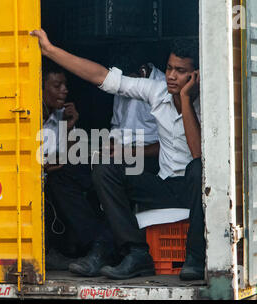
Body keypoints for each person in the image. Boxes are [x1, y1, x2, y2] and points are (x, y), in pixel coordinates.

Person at [31, 29, 205, 281]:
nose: (171, 76)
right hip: (165, 186)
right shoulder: (156, 92)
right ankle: (135, 253)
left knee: (198, 168)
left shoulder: (208, 100)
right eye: (169, 68)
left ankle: (195, 258)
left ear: (196, 75)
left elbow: (196, 153)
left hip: (196, 190)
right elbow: (102, 76)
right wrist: (50, 50)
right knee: (105, 168)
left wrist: (186, 100)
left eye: (180, 71)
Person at [41, 60, 111, 271]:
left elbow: (66, 156)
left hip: (56, 177)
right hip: (41, 182)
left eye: (65, 85)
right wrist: (47, 166)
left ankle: (100, 243)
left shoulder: (57, 117)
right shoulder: (28, 116)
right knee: (63, 178)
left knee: (89, 174)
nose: (65, 90)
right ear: (40, 87)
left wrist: (69, 127)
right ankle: (100, 242)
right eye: (57, 86)